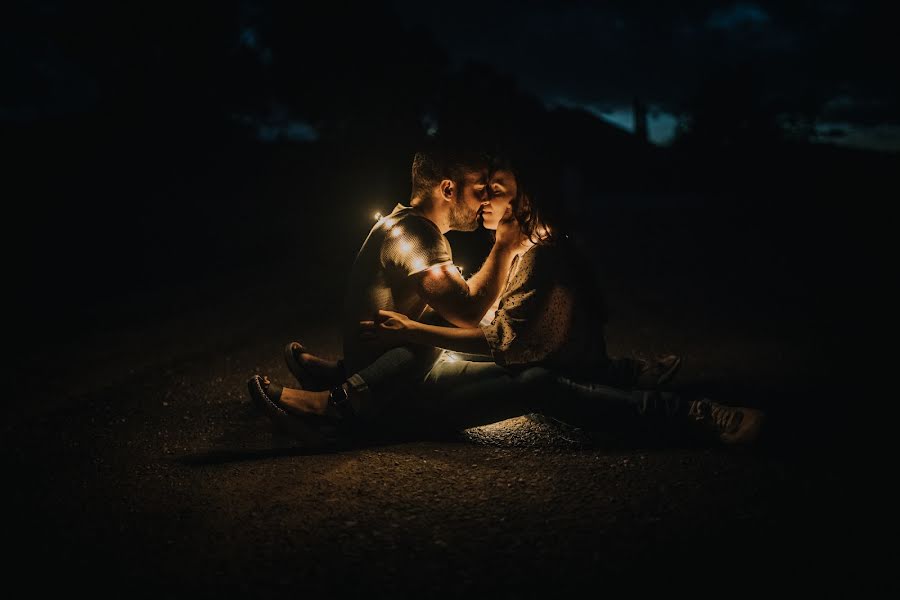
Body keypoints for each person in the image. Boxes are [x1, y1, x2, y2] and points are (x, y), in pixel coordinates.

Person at [248, 143, 525, 433]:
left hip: (375, 363)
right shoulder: (417, 235)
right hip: (387, 391)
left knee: (491, 341)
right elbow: (466, 311)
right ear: (447, 189)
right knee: (457, 323)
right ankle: (338, 403)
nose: (484, 200)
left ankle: (338, 374)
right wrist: (504, 246)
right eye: (479, 190)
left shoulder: (400, 222)